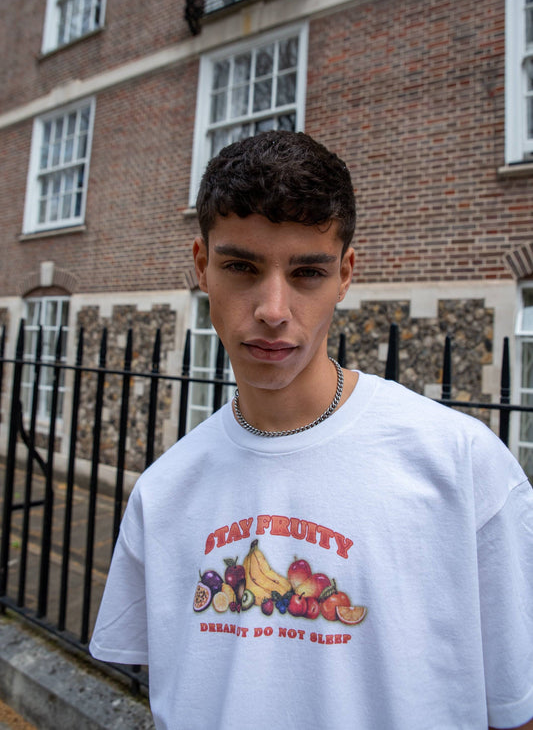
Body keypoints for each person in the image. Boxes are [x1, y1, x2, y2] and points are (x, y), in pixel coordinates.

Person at [90, 130, 533, 730]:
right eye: (241, 267)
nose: (273, 310)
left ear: (344, 274)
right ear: (201, 267)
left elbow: (517, 709)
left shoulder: (461, 463)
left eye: (307, 272)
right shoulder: (163, 490)